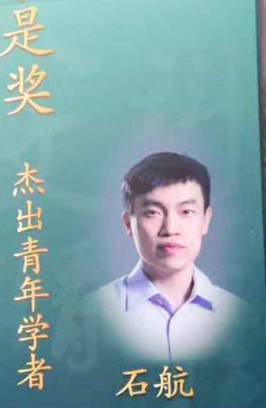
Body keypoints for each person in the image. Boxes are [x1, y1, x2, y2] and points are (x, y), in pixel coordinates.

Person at [91, 152, 243, 362]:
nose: (170, 229)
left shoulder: (241, 316)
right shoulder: (94, 311)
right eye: (153, 213)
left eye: (186, 212)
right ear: (128, 223)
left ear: (206, 220)